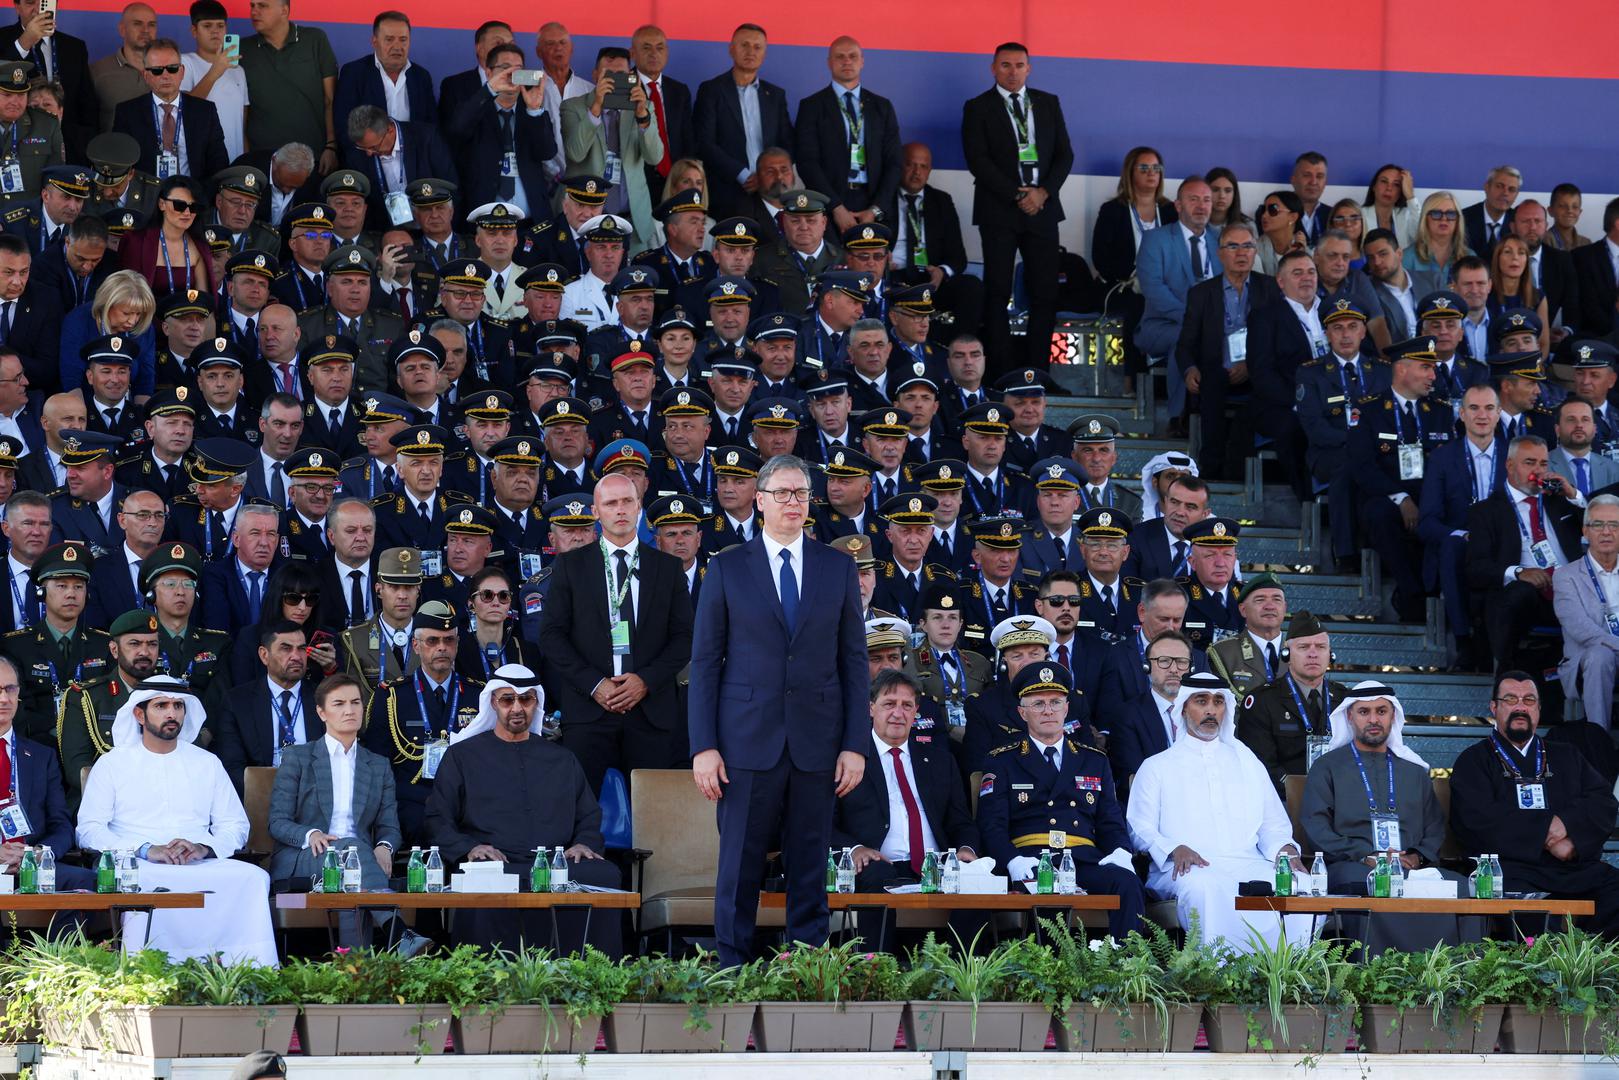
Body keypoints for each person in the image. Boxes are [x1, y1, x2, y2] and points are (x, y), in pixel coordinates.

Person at [689, 452, 867, 965]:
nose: (795, 502)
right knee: (739, 865)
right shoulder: (726, 567)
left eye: (802, 493)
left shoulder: (837, 567)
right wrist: (704, 747)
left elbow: (854, 663)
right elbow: (704, 665)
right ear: (760, 500)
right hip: (746, 741)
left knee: (810, 865)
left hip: (817, 741)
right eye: (784, 493)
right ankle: (731, 970)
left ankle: (806, 972)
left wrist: (855, 745)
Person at [76, 675, 278, 963]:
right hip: (136, 863)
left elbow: (235, 825)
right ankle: (148, 974)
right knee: (141, 881)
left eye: (178, 706)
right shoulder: (112, 764)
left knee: (253, 878)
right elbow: (89, 830)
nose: (172, 713)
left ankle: (245, 975)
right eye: (161, 705)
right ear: (139, 714)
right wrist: (147, 849)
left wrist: (202, 847)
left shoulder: (207, 763)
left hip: (199, 862)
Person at [427, 663, 622, 955]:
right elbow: (437, 818)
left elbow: (588, 815)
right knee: (483, 879)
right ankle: (488, 984)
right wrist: (469, 848)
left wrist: (584, 843)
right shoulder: (462, 756)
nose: (517, 708)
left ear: (537, 703)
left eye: (526, 699)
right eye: (507, 699)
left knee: (604, 876)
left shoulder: (562, 759)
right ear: (493, 702)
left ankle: (586, 977)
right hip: (495, 862)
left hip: (554, 863)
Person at [1128, 671, 1309, 951]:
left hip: (1249, 861)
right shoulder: (1157, 766)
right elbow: (1139, 828)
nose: (1211, 709)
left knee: (1300, 885)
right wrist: (1175, 847)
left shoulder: (1248, 762)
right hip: (1185, 868)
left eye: (1218, 701)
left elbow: (1272, 823)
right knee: (1206, 888)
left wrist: (1284, 848)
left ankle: (1287, 977)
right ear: (1185, 707)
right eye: (1201, 701)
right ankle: (1214, 976)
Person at [536, 469, 691, 796]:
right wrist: (595, 684)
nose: (620, 510)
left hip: (650, 712)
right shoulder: (571, 566)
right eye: (611, 503)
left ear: (639, 506)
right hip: (590, 710)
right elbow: (551, 636)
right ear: (596, 511)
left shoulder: (667, 567)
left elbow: (685, 638)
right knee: (583, 815)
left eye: (627, 501)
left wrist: (644, 681)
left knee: (653, 820)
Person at [976, 660, 1144, 939]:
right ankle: (1050, 979)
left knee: (1127, 882)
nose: (1048, 711)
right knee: (1047, 891)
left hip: (1082, 859)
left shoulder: (1094, 760)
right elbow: (991, 825)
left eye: (1055, 702)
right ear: (1022, 712)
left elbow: (1110, 820)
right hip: (1032, 860)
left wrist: (1120, 851)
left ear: (1067, 708)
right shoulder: (1002, 760)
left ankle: (1127, 969)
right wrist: (1012, 860)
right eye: (1038, 704)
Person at [1449, 671, 1619, 934]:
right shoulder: (1473, 761)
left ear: (1539, 709)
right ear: (1494, 707)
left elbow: (1603, 801)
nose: (1520, 706)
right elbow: (1476, 821)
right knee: (1531, 915)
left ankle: (1593, 969)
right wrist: (1547, 834)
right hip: (1511, 871)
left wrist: (1568, 831)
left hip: (1571, 867)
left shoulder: (1567, 754)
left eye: (1529, 700)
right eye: (1510, 699)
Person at [831, 668, 979, 943]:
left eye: (906, 705)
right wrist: (855, 849)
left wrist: (966, 851)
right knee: (878, 876)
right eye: (889, 704)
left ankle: (963, 977)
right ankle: (874, 973)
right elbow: (823, 823)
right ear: (871, 708)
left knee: (976, 882)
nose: (898, 713)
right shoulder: (849, 759)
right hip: (877, 863)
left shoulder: (939, 761)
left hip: (937, 867)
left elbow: (960, 821)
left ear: (915, 713)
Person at [960, 42, 1071, 372]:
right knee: (997, 292)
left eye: (1019, 65)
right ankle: (1001, 372)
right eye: (1005, 65)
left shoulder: (1048, 103)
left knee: (1045, 293)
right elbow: (977, 160)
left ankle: (1038, 372)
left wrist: (1043, 193)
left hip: (1044, 208)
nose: (1012, 71)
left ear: (1029, 68)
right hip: (999, 210)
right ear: (993, 68)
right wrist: (1018, 195)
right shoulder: (978, 107)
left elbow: (1065, 155)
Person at [1349, 336, 1451, 621]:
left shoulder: (1441, 412)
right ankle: (1413, 591)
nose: (1433, 375)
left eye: (1434, 369)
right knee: (1379, 514)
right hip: (1387, 497)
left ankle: (1428, 594)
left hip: (1431, 497)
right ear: (1402, 369)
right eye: (1426, 368)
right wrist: (1402, 499)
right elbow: (1362, 466)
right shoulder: (1367, 410)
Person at [1466, 435, 1580, 671]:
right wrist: (1518, 572)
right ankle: (1507, 671)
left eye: (1543, 464)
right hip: (1531, 599)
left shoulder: (1560, 503)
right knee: (1518, 592)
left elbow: (1600, 529)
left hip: (1574, 593)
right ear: (1509, 465)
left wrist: (1573, 495)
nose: (1538, 471)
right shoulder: (1486, 511)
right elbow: (1475, 568)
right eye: (1529, 463)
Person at [1180, 220, 1280, 481]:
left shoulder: (1270, 289)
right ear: (1219, 252)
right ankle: (1209, 472)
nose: (1241, 252)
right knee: (1211, 381)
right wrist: (1189, 368)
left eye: (1247, 246)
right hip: (1216, 374)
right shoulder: (1201, 293)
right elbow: (1185, 344)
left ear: (1255, 251)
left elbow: (1281, 341)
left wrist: (1251, 364)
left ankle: (1235, 475)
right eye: (1233, 246)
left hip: (1258, 375)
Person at [0, 651, 93, 909]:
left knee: (85, 881)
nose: (4, 698)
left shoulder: (41, 756)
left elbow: (61, 825)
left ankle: (60, 951)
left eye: (10, 689)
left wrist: (39, 853)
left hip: (33, 864)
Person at [4, 539, 110, 739]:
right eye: (62, 586)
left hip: (92, 745)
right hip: (37, 746)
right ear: (41, 592)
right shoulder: (15, 647)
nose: (71, 594)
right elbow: (19, 711)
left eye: (79, 587)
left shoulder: (104, 645)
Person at [793, 36, 900, 231]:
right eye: (840, 56)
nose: (847, 61)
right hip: (830, 205)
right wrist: (835, 207)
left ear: (862, 61)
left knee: (871, 261)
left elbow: (894, 162)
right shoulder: (811, 107)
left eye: (852, 56)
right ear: (829, 62)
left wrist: (876, 209)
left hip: (873, 204)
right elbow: (807, 162)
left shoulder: (882, 107)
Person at [56, 607, 158, 804]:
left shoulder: (173, 696)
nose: (145, 651)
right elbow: (76, 768)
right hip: (105, 802)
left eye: (152, 644)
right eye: (134, 644)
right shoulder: (85, 697)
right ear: (114, 650)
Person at [1236, 610, 1349, 788]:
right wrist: (1297, 789)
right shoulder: (1263, 701)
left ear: (1330, 655)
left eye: (1320, 647)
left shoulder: (1346, 699)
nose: (1313, 654)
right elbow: (1259, 763)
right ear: (1286, 655)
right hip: (1283, 801)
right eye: (1304, 647)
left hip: (1339, 796)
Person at [1136, 175, 1218, 422]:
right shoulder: (1156, 239)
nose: (1201, 206)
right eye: (1193, 199)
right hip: (1162, 325)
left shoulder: (1221, 241)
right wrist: (1194, 322)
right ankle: (1178, 416)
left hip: (1213, 328)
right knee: (1185, 338)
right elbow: (1154, 289)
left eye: (1206, 200)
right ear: (1178, 205)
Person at [210, 619, 324, 793]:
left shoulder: (322, 698)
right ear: (264, 655)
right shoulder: (238, 701)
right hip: (259, 798)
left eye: (301, 648)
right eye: (286, 648)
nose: (296, 656)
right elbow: (232, 766)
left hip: (315, 798)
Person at [692, 24, 792, 218]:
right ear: (731, 49)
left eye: (757, 47)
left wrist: (769, 175)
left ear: (765, 53)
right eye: (744, 45)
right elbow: (704, 143)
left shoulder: (775, 95)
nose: (750, 52)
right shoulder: (712, 90)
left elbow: (787, 143)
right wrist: (744, 175)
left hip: (771, 193)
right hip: (729, 190)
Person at [237, 0, 338, 175]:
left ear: (284, 10)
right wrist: (246, 157)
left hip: (312, 158)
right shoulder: (241, 49)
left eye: (262, 6)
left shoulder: (315, 39)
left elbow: (331, 99)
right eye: (252, 6)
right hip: (262, 161)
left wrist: (331, 146)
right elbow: (240, 111)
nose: (254, 11)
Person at [113, 37, 227, 184]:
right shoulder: (127, 113)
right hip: (145, 199)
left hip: (194, 198)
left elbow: (218, 163)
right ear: (145, 76)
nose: (165, 76)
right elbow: (122, 164)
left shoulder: (205, 111)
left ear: (182, 72)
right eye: (157, 70)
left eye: (172, 68)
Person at [1554, 494, 1619, 730]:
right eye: (1598, 524)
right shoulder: (1565, 576)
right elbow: (1582, 630)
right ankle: (1598, 742)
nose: (1606, 532)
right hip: (1587, 662)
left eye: (1614, 525)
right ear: (1585, 531)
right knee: (1600, 655)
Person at [1108, 628, 1192, 800]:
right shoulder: (1127, 716)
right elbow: (1133, 778)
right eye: (1164, 661)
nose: (1174, 669)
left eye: (1182, 662)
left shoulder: (1205, 712)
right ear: (1147, 667)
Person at [178, 0, 248, 163]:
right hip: (200, 161)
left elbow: (242, 125)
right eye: (207, 26)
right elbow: (183, 110)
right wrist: (215, 71)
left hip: (235, 161)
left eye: (220, 26)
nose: (215, 31)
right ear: (194, 31)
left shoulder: (238, 70)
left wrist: (245, 160)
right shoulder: (184, 63)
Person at [1207, 573, 1288, 697]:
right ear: (1243, 610)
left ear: (1285, 608)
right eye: (1260, 600)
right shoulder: (1223, 653)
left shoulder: (1301, 649)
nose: (1270, 606)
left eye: (1277, 599)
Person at [1463, 166, 1520, 261]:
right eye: (1499, 186)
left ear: (1517, 195)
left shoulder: (1518, 221)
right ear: (1486, 187)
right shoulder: (1463, 218)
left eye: (1511, 189)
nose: (1505, 193)